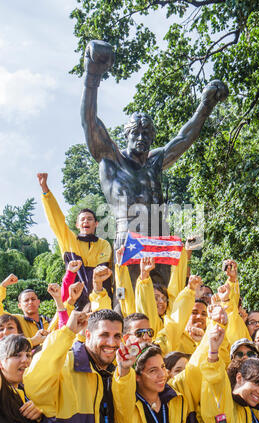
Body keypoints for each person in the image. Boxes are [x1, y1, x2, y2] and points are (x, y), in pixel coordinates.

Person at [81, 39, 228, 288]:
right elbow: (90, 121)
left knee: (166, 300)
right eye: (136, 134)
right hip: (129, 235)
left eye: (147, 135)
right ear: (125, 136)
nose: (141, 139)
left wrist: (206, 105)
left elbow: (183, 139)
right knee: (131, 306)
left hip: (161, 236)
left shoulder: (155, 162)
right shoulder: (111, 159)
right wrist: (92, 73)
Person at [23, 308, 126, 423]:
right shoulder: (65, 364)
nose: (111, 342)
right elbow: (35, 389)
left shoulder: (117, 370)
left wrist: (125, 372)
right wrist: (68, 332)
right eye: (104, 334)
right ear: (88, 335)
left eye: (117, 336)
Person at [37, 172, 112, 309]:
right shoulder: (69, 240)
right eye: (82, 219)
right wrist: (45, 191)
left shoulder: (104, 244)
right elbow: (56, 220)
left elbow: (106, 273)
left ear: (96, 224)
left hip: (99, 299)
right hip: (74, 300)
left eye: (90, 219)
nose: (86, 221)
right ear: (77, 225)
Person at [113, 343, 201, 423]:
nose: (163, 374)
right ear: (137, 376)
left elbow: (198, 365)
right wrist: (124, 369)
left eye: (162, 367)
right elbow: (123, 387)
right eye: (153, 370)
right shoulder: (129, 408)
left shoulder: (176, 398)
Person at [0, 334, 42, 423]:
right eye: (16, 355)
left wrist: (42, 410)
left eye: (28, 355)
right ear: (1, 363)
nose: (25, 360)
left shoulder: (28, 392)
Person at [0, 274, 50, 342]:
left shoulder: (49, 321)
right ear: (19, 305)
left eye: (33, 299)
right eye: (26, 300)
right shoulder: (15, 320)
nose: (30, 302)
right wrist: (3, 285)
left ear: (38, 302)